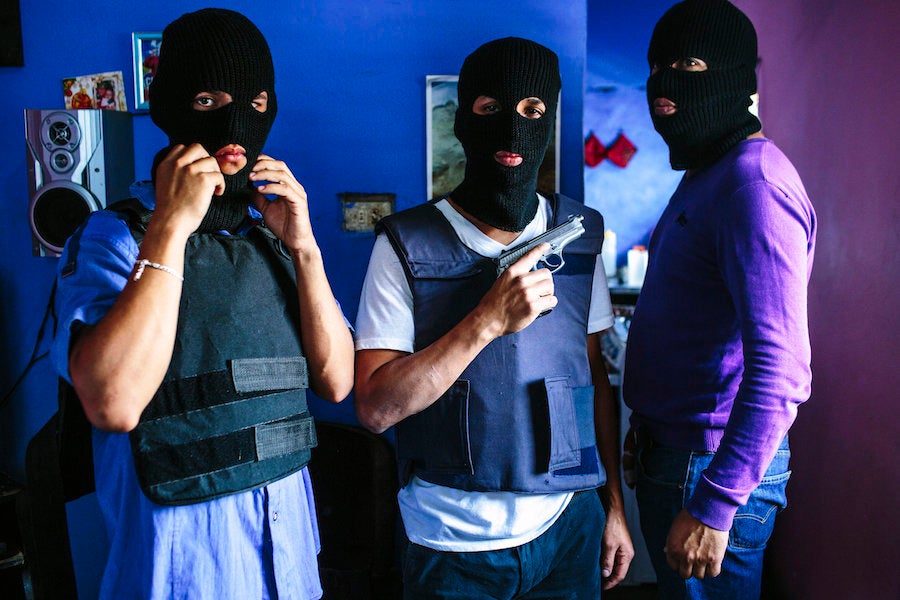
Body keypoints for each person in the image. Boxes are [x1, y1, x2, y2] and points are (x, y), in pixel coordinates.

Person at [50, 8, 353, 599]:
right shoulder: (116, 238)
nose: (237, 122)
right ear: (173, 107)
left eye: (256, 101)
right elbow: (111, 402)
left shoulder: (272, 240)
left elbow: (338, 381)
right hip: (180, 568)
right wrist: (169, 226)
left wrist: (305, 247)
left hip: (287, 563)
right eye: (211, 99)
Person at [354, 37, 633, 598]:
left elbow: (592, 379)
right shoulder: (404, 245)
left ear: (550, 120)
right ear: (464, 120)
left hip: (569, 529)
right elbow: (376, 409)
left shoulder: (579, 238)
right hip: (450, 542)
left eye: (532, 112)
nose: (512, 130)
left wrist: (612, 506)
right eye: (490, 110)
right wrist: (485, 321)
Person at [621, 1, 817, 598]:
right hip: (679, 452)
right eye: (657, 66)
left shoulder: (752, 185)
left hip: (707, 469)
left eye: (689, 63)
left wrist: (715, 505)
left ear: (734, 77)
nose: (664, 83)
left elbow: (782, 370)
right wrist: (650, 422)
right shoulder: (711, 172)